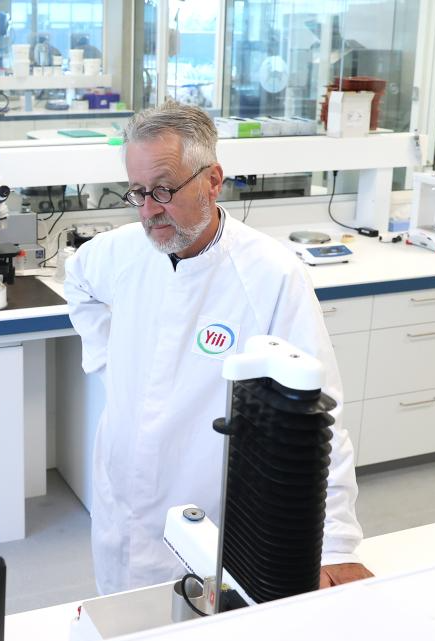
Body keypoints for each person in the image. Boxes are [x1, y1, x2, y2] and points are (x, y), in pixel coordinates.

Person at [64, 101, 372, 595]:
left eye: (163, 190)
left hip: (207, 508)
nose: (148, 210)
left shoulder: (269, 275)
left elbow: (317, 415)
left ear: (212, 181)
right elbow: (77, 282)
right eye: (137, 191)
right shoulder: (120, 250)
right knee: (120, 614)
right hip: (120, 496)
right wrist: (110, 367)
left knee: (202, 619)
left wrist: (336, 545)